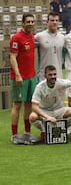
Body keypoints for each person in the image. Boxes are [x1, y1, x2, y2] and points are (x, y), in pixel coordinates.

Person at [29, 65, 71, 140]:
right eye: (50, 75)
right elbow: (34, 107)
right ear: (45, 76)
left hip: (59, 110)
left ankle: (64, 129)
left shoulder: (61, 82)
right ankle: (44, 130)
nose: (53, 76)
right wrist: (47, 117)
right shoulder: (40, 87)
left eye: (54, 74)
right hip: (45, 111)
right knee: (32, 117)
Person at [9, 14, 37, 143]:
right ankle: (14, 135)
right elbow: (13, 57)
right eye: (28, 22)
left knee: (29, 105)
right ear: (23, 23)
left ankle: (27, 132)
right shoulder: (16, 38)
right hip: (20, 78)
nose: (31, 24)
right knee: (17, 105)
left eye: (32, 21)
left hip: (31, 77)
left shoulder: (31, 36)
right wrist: (18, 75)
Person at [35, 12, 65, 81]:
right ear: (47, 22)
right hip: (43, 76)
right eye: (52, 20)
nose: (54, 22)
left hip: (58, 75)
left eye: (56, 20)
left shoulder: (63, 38)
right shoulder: (39, 36)